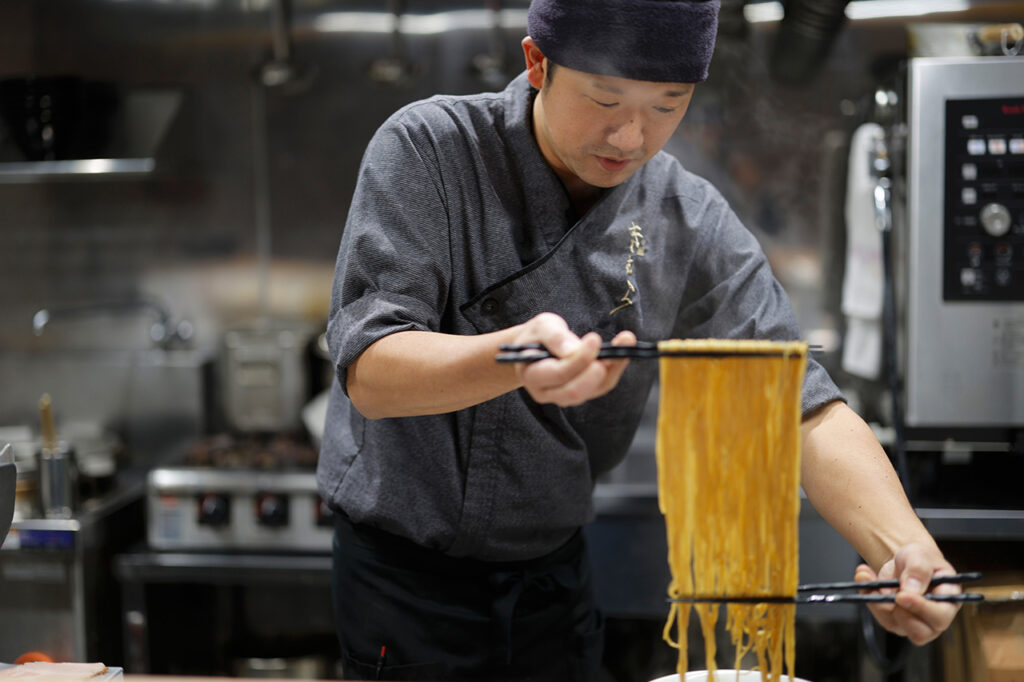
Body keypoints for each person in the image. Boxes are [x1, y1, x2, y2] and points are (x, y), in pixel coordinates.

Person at [316, 0, 961, 679]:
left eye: (667, 105)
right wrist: (511, 359)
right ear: (538, 63)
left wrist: (906, 551)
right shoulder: (431, 149)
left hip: (552, 580)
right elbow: (371, 369)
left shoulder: (685, 216)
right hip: (404, 581)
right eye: (605, 98)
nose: (629, 136)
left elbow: (794, 399)